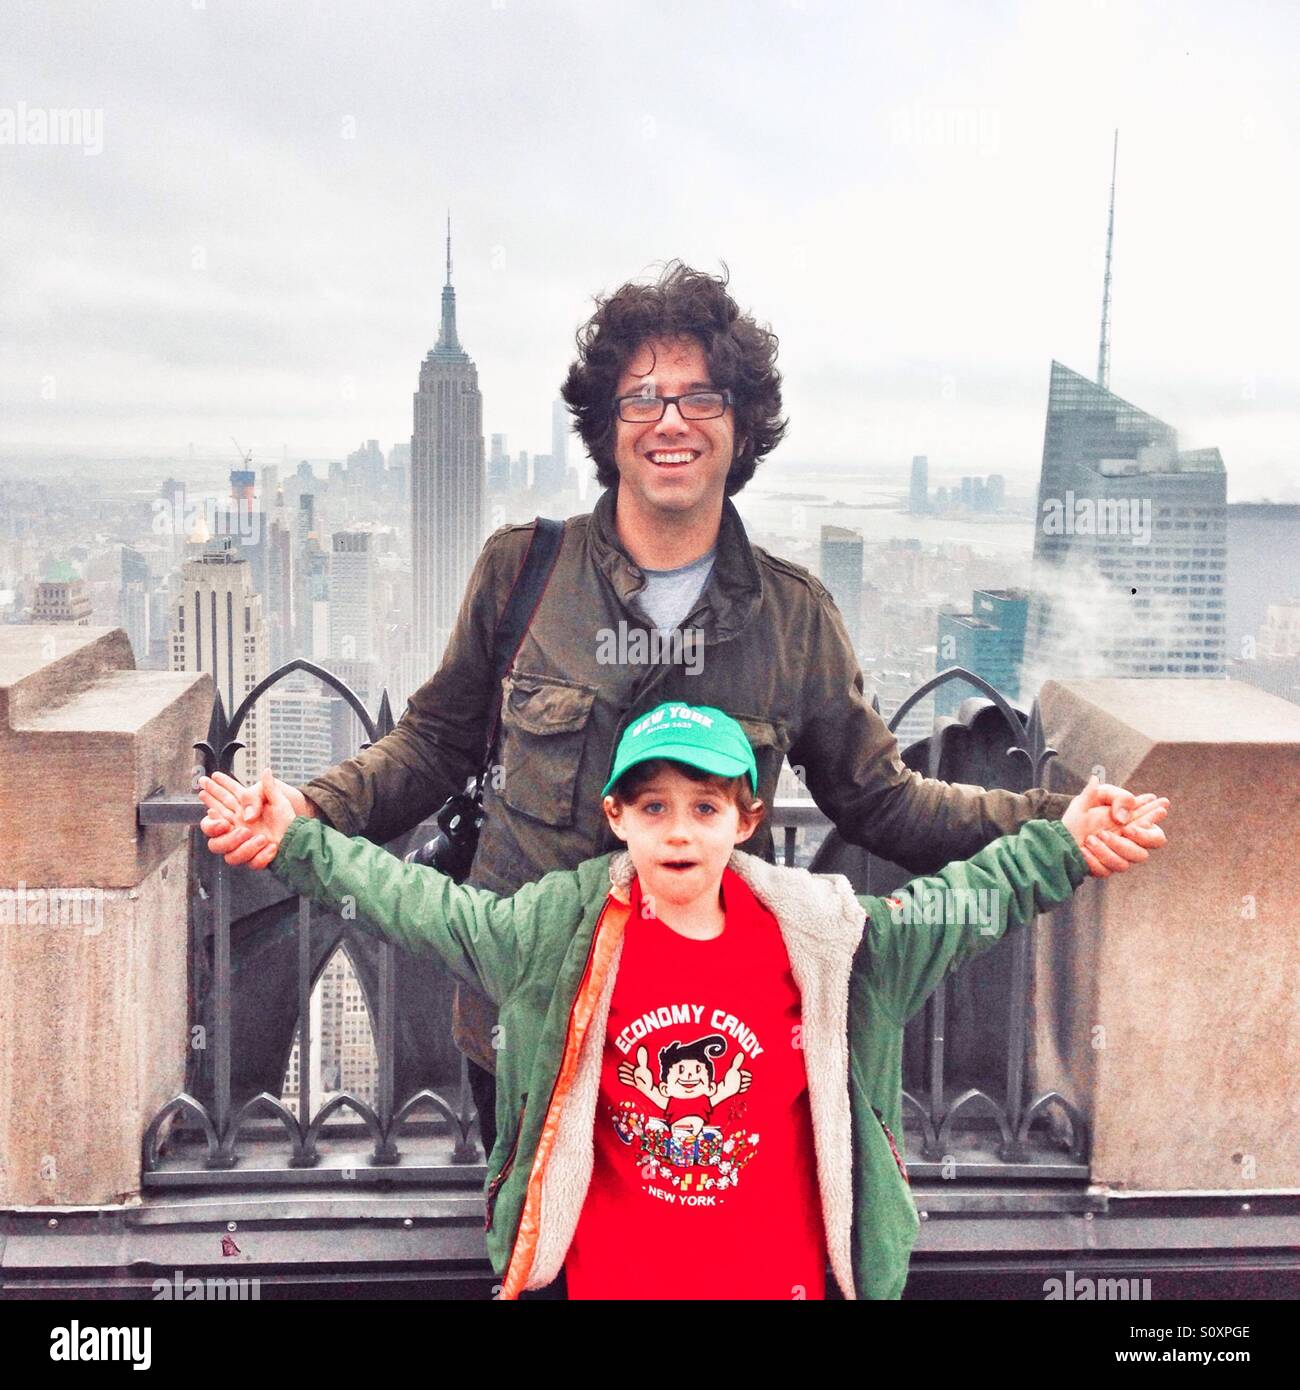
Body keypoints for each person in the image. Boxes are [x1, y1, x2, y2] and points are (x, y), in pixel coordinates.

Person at [201, 260, 1165, 1166]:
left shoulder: (793, 619)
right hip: (535, 1024)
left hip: (708, 1043)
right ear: (607, 426)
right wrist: (308, 813)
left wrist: (1055, 826)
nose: (671, 421)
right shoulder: (525, 574)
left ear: (741, 428)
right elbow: (433, 746)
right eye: (642, 399)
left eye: (701, 396)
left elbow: (883, 805)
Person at [197, 700, 1170, 1301]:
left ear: (744, 819)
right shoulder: (558, 936)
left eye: (704, 807)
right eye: (652, 805)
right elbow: (423, 904)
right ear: (615, 815)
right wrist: (299, 841)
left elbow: (961, 906)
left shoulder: (821, 939)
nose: (678, 830)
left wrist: (1064, 842)